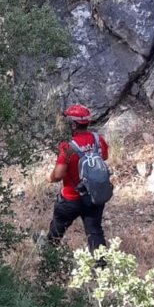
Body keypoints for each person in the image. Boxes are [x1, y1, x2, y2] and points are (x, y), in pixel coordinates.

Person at [46, 104, 110, 255]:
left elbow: (59, 174)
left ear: (73, 124)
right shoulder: (97, 139)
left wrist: (49, 177)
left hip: (71, 198)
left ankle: (49, 254)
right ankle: (101, 267)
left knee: (58, 224)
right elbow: (104, 157)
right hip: (93, 196)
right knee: (94, 231)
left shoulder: (67, 146)